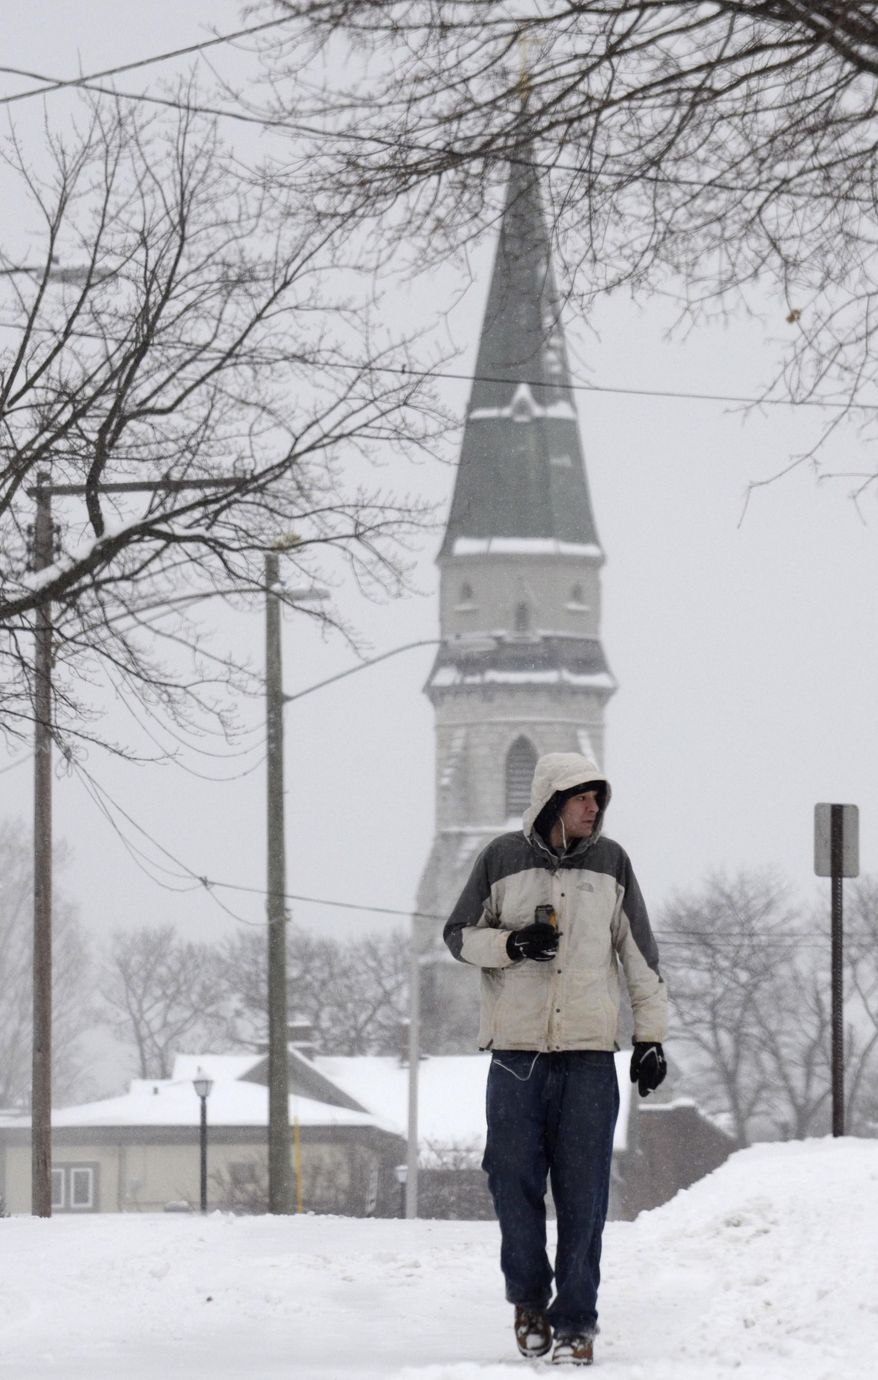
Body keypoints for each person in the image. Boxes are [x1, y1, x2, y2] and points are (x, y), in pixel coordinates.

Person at [444, 752, 668, 1367]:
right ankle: (529, 1301)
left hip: (590, 1060)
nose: (595, 809)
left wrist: (650, 1038)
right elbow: (459, 936)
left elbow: (640, 959)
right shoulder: (499, 859)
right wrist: (511, 944)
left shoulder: (612, 863)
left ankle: (576, 1322)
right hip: (517, 1059)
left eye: (599, 800)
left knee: (584, 1196)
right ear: (550, 802)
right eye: (583, 799)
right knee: (511, 1183)